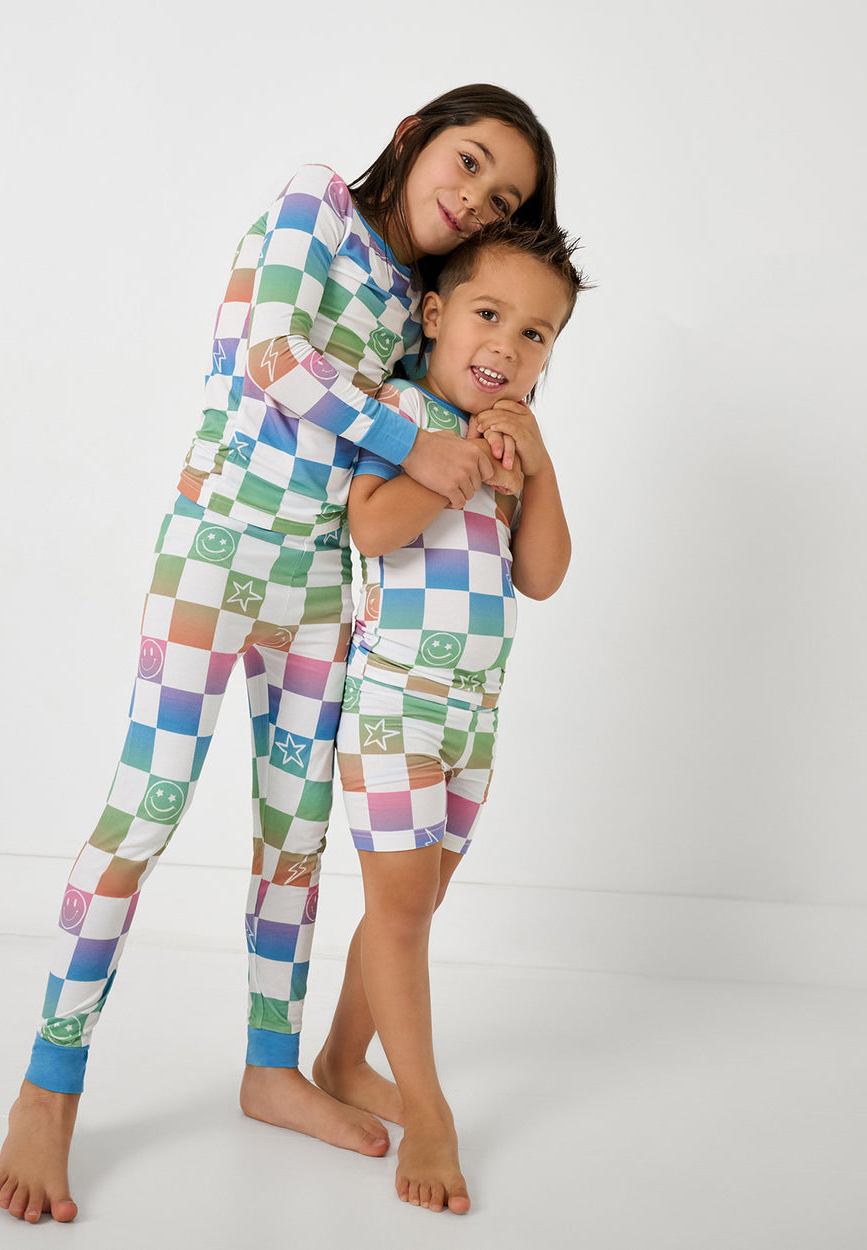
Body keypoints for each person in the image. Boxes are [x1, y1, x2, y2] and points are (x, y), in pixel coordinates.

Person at [0, 84, 558, 1223]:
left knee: (292, 841)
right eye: (466, 162)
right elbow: (275, 357)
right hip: (214, 555)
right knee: (143, 810)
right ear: (413, 138)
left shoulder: (426, 303)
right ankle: (47, 1090)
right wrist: (420, 440)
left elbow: (443, 427)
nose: (471, 198)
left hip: (319, 592)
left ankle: (271, 1066)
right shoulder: (316, 203)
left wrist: (483, 441)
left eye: (499, 197)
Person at [312, 218, 588, 1213]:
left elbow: (542, 576)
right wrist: (438, 473)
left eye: (537, 333)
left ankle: (344, 1058)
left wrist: (537, 467)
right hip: (394, 704)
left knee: (414, 906)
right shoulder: (402, 409)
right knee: (397, 912)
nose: (509, 346)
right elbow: (371, 529)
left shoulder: (509, 440)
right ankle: (427, 1110)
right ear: (432, 314)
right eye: (488, 314)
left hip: (473, 716)